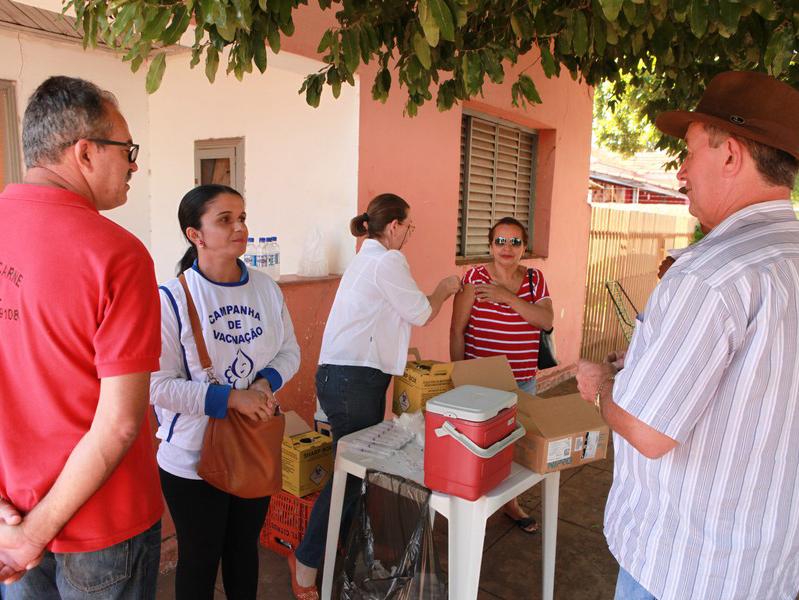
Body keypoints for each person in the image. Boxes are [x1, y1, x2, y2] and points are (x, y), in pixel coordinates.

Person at [576, 70, 799, 600]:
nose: (679, 171)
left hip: (687, 571)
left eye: (691, 150)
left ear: (731, 155)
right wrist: (647, 362)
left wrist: (603, 386)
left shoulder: (710, 274)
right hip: (774, 566)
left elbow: (650, 431)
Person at [0, 76, 163, 598]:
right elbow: (117, 425)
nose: (133, 164)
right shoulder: (116, 254)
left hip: (12, 520)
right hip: (103, 529)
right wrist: (32, 539)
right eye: (127, 149)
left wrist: (18, 530)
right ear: (86, 153)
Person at [288, 193, 462, 600]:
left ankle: (331, 550)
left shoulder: (366, 259)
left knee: (353, 472)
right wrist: (442, 289)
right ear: (395, 226)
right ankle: (306, 565)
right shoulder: (387, 259)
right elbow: (420, 312)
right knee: (348, 477)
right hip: (353, 381)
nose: (409, 235)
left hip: (347, 378)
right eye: (409, 227)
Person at [150, 184, 300, 600]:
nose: (240, 227)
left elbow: (290, 350)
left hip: (252, 445)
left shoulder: (266, 289)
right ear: (194, 234)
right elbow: (157, 386)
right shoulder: (172, 298)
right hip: (192, 460)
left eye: (242, 217)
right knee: (199, 561)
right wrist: (231, 398)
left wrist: (263, 384)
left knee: (242, 553)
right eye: (225, 219)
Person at [450, 216, 553, 533]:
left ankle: (510, 504)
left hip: (523, 380)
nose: (507, 248)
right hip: (481, 382)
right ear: (490, 245)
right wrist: (459, 378)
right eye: (500, 242)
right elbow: (457, 331)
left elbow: (545, 320)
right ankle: (471, 505)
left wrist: (508, 297)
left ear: (525, 246)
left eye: (515, 242)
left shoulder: (535, 281)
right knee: (476, 446)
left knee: (516, 447)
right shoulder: (474, 279)